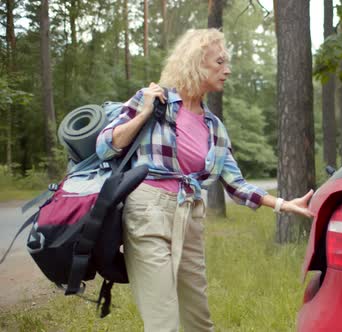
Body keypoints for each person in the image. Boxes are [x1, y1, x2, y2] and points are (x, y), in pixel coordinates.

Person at [96, 28, 314, 332]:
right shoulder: (153, 101)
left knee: (199, 320)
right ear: (197, 62)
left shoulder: (214, 126)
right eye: (220, 62)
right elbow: (105, 145)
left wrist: (282, 204)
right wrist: (144, 113)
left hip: (190, 216)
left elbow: (236, 184)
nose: (228, 70)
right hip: (148, 212)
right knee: (163, 323)